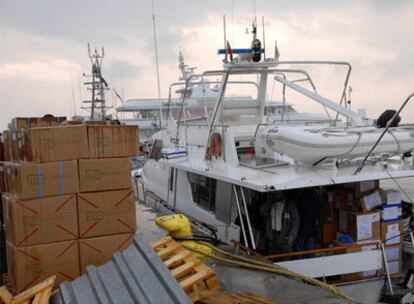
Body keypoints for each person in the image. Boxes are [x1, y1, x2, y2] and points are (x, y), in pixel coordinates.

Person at [260, 191, 300, 255]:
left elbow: (295, 221)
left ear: (283, 193)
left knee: (285, 256)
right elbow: (262, 211)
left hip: (285, 235)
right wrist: (270, 200)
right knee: (272, 256)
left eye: (278, 193)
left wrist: (292, 234)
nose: (277, 195)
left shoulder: (289, 205)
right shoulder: (271, 204)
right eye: (275, 193)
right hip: (272, 234)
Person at [295, 188, 321, 257]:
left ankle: (300, 261)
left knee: (300, 247)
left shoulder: (300, 200)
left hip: (301, 227)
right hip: (311, 227)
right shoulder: (316, 200)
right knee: (310, 246)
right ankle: (312, 260)